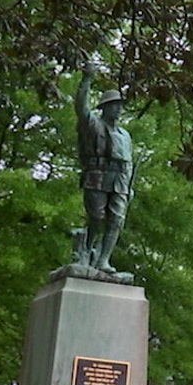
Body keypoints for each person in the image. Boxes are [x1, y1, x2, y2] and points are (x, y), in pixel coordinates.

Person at [75, 61, 134, 273]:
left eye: (120, 105)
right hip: (97, 175)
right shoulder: (94, 124)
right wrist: (87, 79)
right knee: (97, 217)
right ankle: (85, 250)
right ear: (105, 107)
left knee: (117, 220)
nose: (118, 109)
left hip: (120, 181)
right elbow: (81, 108)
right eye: (114, 105)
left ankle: (103, 260)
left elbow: (129, 162)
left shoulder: (125, 135)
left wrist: (130, 187)